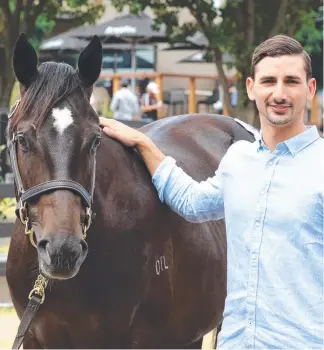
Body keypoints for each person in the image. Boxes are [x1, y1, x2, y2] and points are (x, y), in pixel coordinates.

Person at [99, 35, 324, 349]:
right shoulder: (239, 160)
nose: (279, 93)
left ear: (309, 89)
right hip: (236, 342)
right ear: (251, 87)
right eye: (268, 81)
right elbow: (192, 203)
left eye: (291, 81)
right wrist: (144, 144)